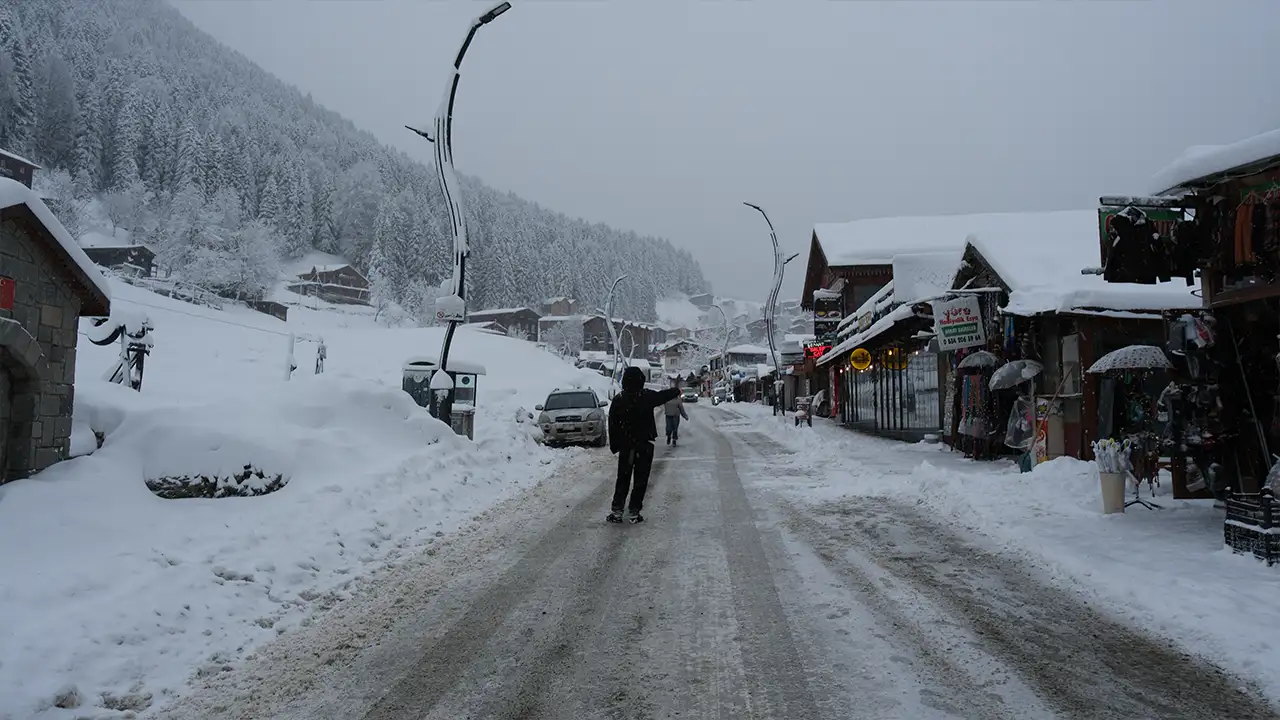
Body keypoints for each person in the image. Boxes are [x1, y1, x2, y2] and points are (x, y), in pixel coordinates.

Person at [607, 366, 680, 524]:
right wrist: (675, 391)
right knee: (641, 479)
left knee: (623, 478)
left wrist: (615, 445)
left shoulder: (619, 399)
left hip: (626, 445)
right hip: (644, 445)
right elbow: (661, 397)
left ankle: (617, 511)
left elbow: (612, 424)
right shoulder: (645, 396)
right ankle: (634, 511)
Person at [663, 381, 689, 446]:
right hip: (668, 415)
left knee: (675, 428)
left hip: (676, 416)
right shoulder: (666, 398)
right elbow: (659, 402)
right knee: (668, 428)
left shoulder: (678, 400)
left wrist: (685, 416)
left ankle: (674, 440)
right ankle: (668, 436)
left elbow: (681, 409)